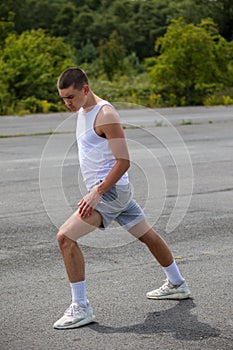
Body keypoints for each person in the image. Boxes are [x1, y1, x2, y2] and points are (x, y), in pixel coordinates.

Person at [53, 67, 191, 330]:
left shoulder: (105, 115)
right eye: (63, 98)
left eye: (70, 97)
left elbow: (124, 161)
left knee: (65, 238)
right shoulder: (83, 111)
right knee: (147, 235)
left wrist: (97, 191)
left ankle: (80, 308)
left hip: (110, 192)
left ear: (84, 89)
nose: (67, 103)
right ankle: (177, 283)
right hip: (117, 191)